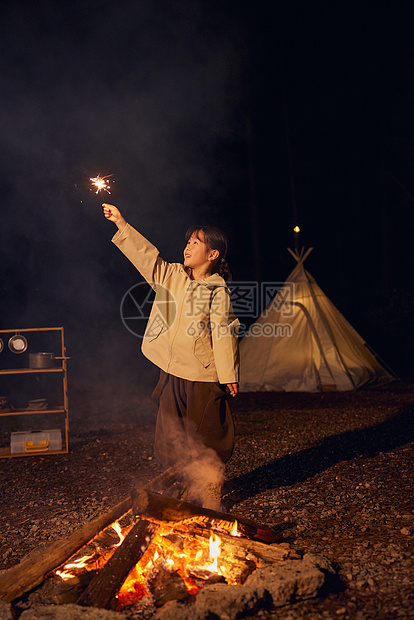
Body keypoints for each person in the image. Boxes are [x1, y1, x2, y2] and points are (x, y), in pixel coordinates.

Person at [103, 203, 239, 509]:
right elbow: (146, 257)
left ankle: (211, 492)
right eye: (188, 241)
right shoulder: (172, 275)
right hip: (172, 371)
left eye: (195, 242)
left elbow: (224, 332)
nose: (187, 246)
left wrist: (228, 374)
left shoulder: (217, 290)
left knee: (208, 435)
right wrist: (122, 224)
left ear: (213, 254)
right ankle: (187, 486)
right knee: (171, 434)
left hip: (203, 375)